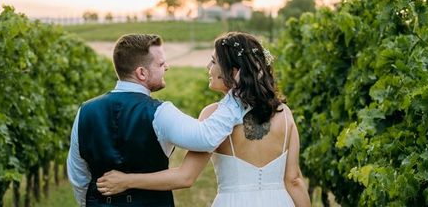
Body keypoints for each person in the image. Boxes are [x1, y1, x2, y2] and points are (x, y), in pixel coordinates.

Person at [96, 32, 311, 207]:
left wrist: (127, 180)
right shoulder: (284, 113)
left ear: (233, 71)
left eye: (213, 62)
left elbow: (185, 177)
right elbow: (293, 180)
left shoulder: (213, 115)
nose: (208, 68)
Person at [67, 33, 248, 206]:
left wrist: (93, 203)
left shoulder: (85, 111)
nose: (167, 67)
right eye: (161, 64)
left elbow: (78, 176)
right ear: (142, 73)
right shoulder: (160, 112)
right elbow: (206, 138)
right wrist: (236, 95)